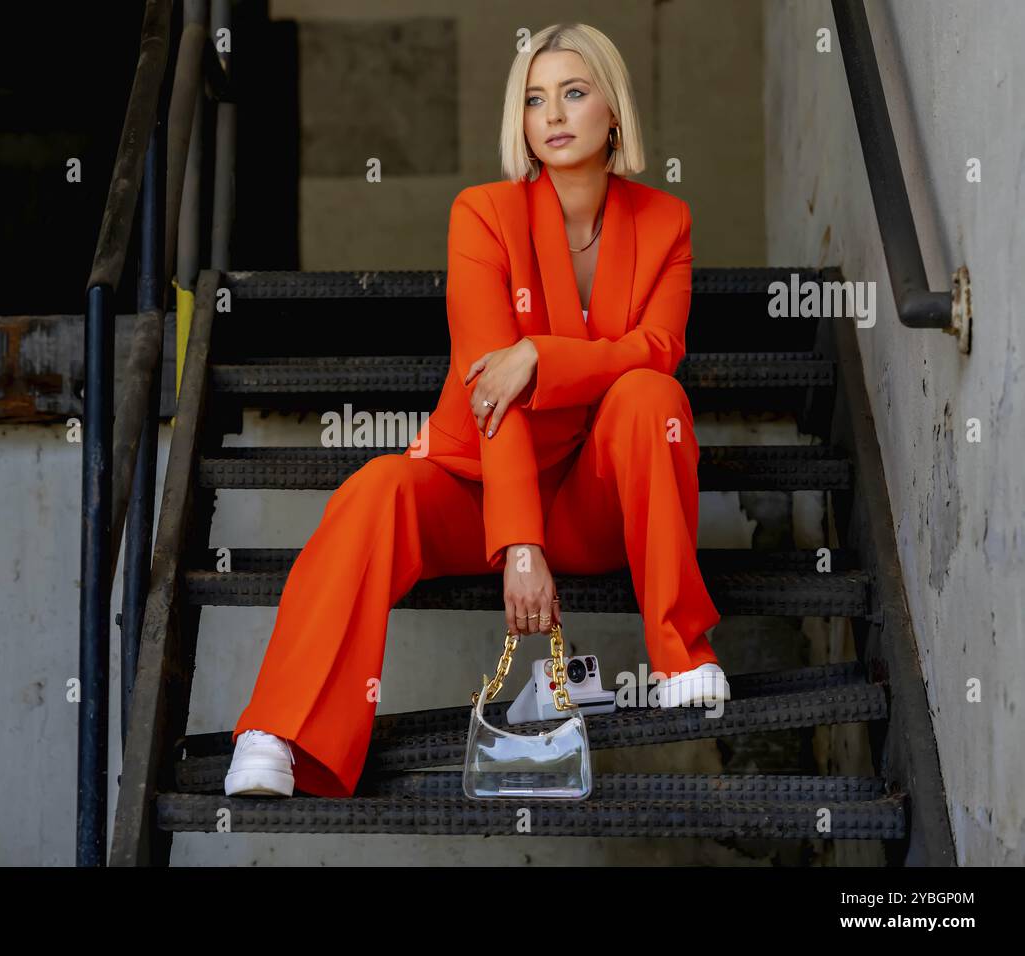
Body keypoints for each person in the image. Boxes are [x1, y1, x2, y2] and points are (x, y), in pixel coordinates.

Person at [225, 22, 728, 800]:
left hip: (595, 500)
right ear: (520, 123)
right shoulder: (484, 214)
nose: (553, 114)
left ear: (613, 113)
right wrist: (520, 546)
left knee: (651, 397)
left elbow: (658, 347)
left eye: (573, 92)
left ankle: (682, 658)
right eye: (534, 99)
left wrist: (545, 356)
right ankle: (276, 732)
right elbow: (492, 390)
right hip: (480, 489)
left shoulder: (666, 223)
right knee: (373, 491)